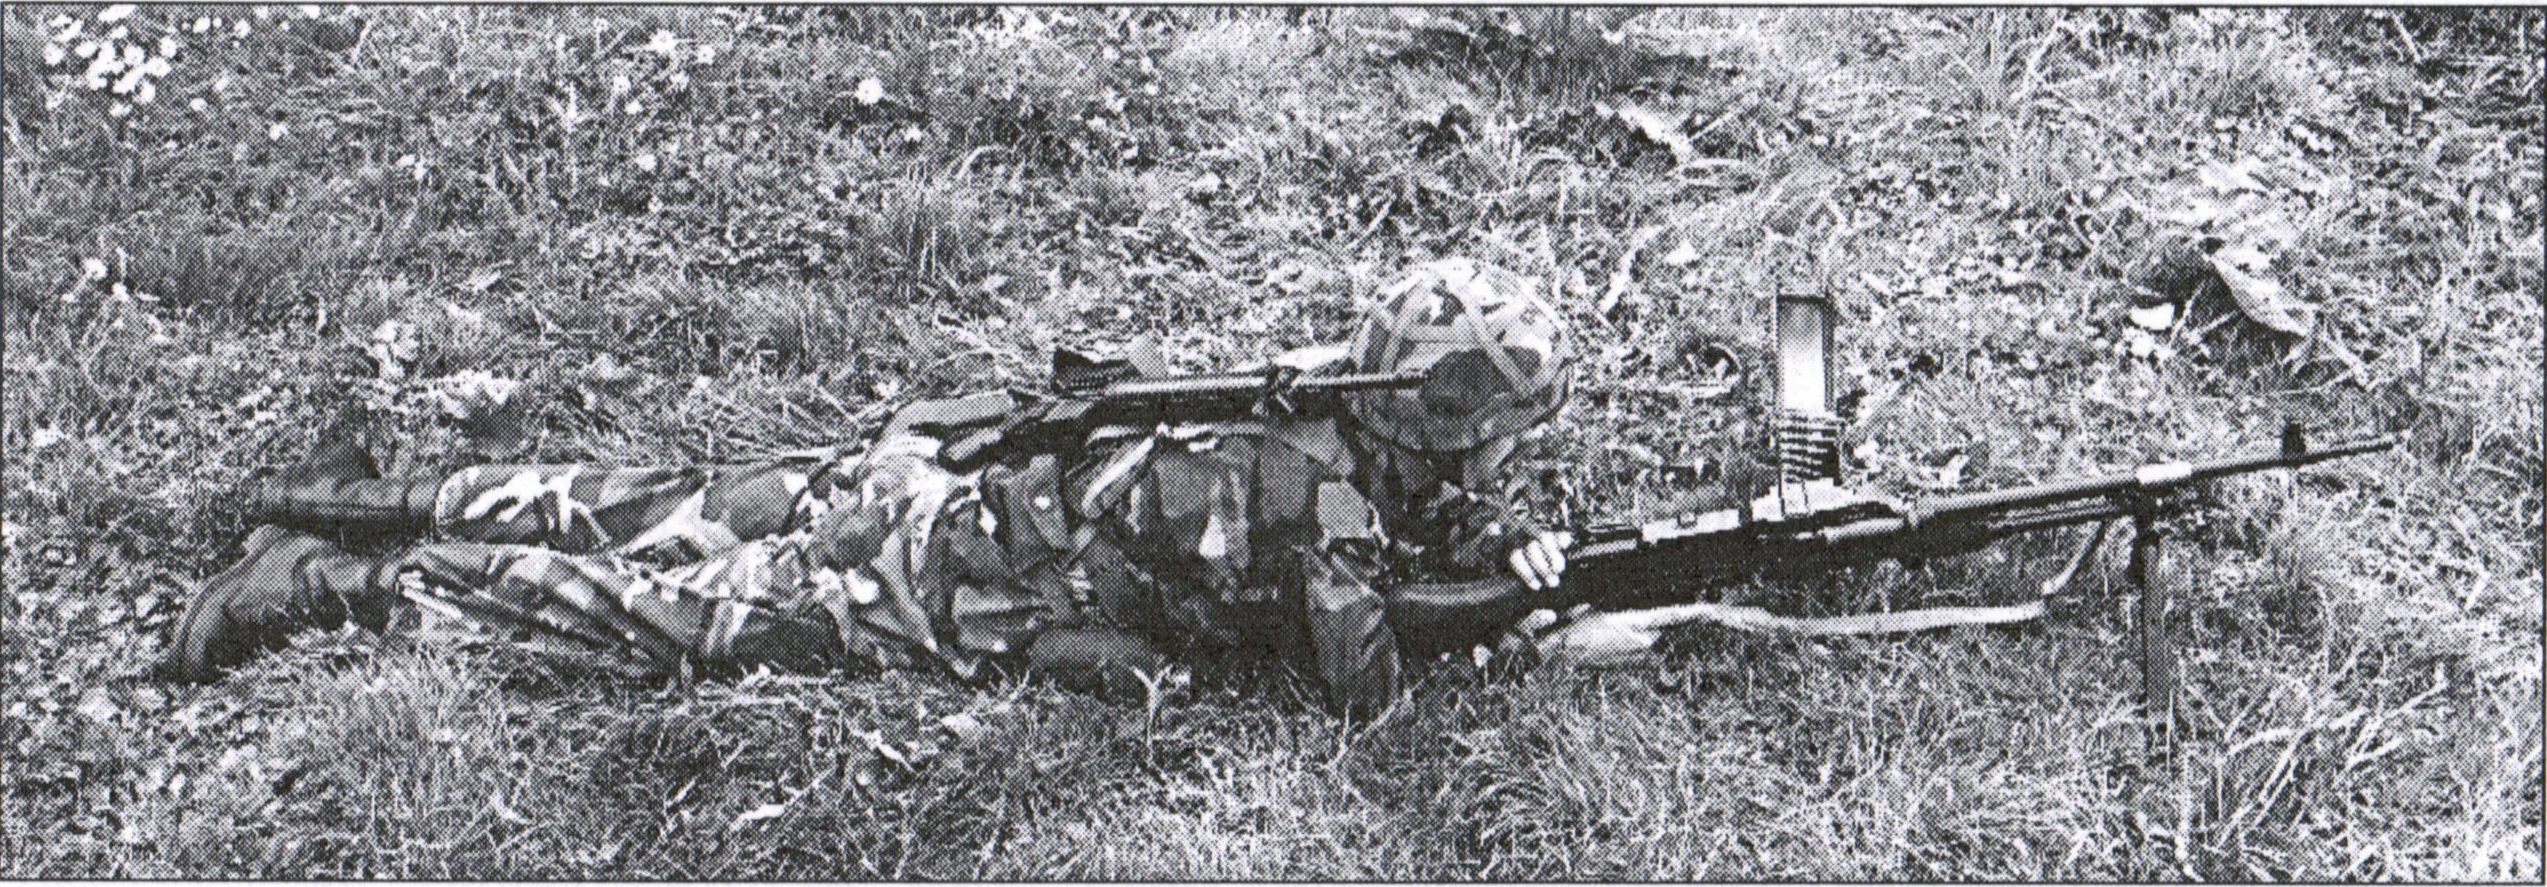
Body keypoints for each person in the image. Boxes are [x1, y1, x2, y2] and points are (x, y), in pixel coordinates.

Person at [159, 258, 1581, 716]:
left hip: (921, 480)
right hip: (935, 588)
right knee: (652, 613)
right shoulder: (1305, 507)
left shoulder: (1322, 399)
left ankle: (373, 493)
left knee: (656, 498)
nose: (1509, 465)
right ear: (1444, 426)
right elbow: (1370, 686)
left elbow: (1399, 514)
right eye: (1501, 440)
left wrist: (1484, 539)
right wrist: (1518, 621)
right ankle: (328, 580)